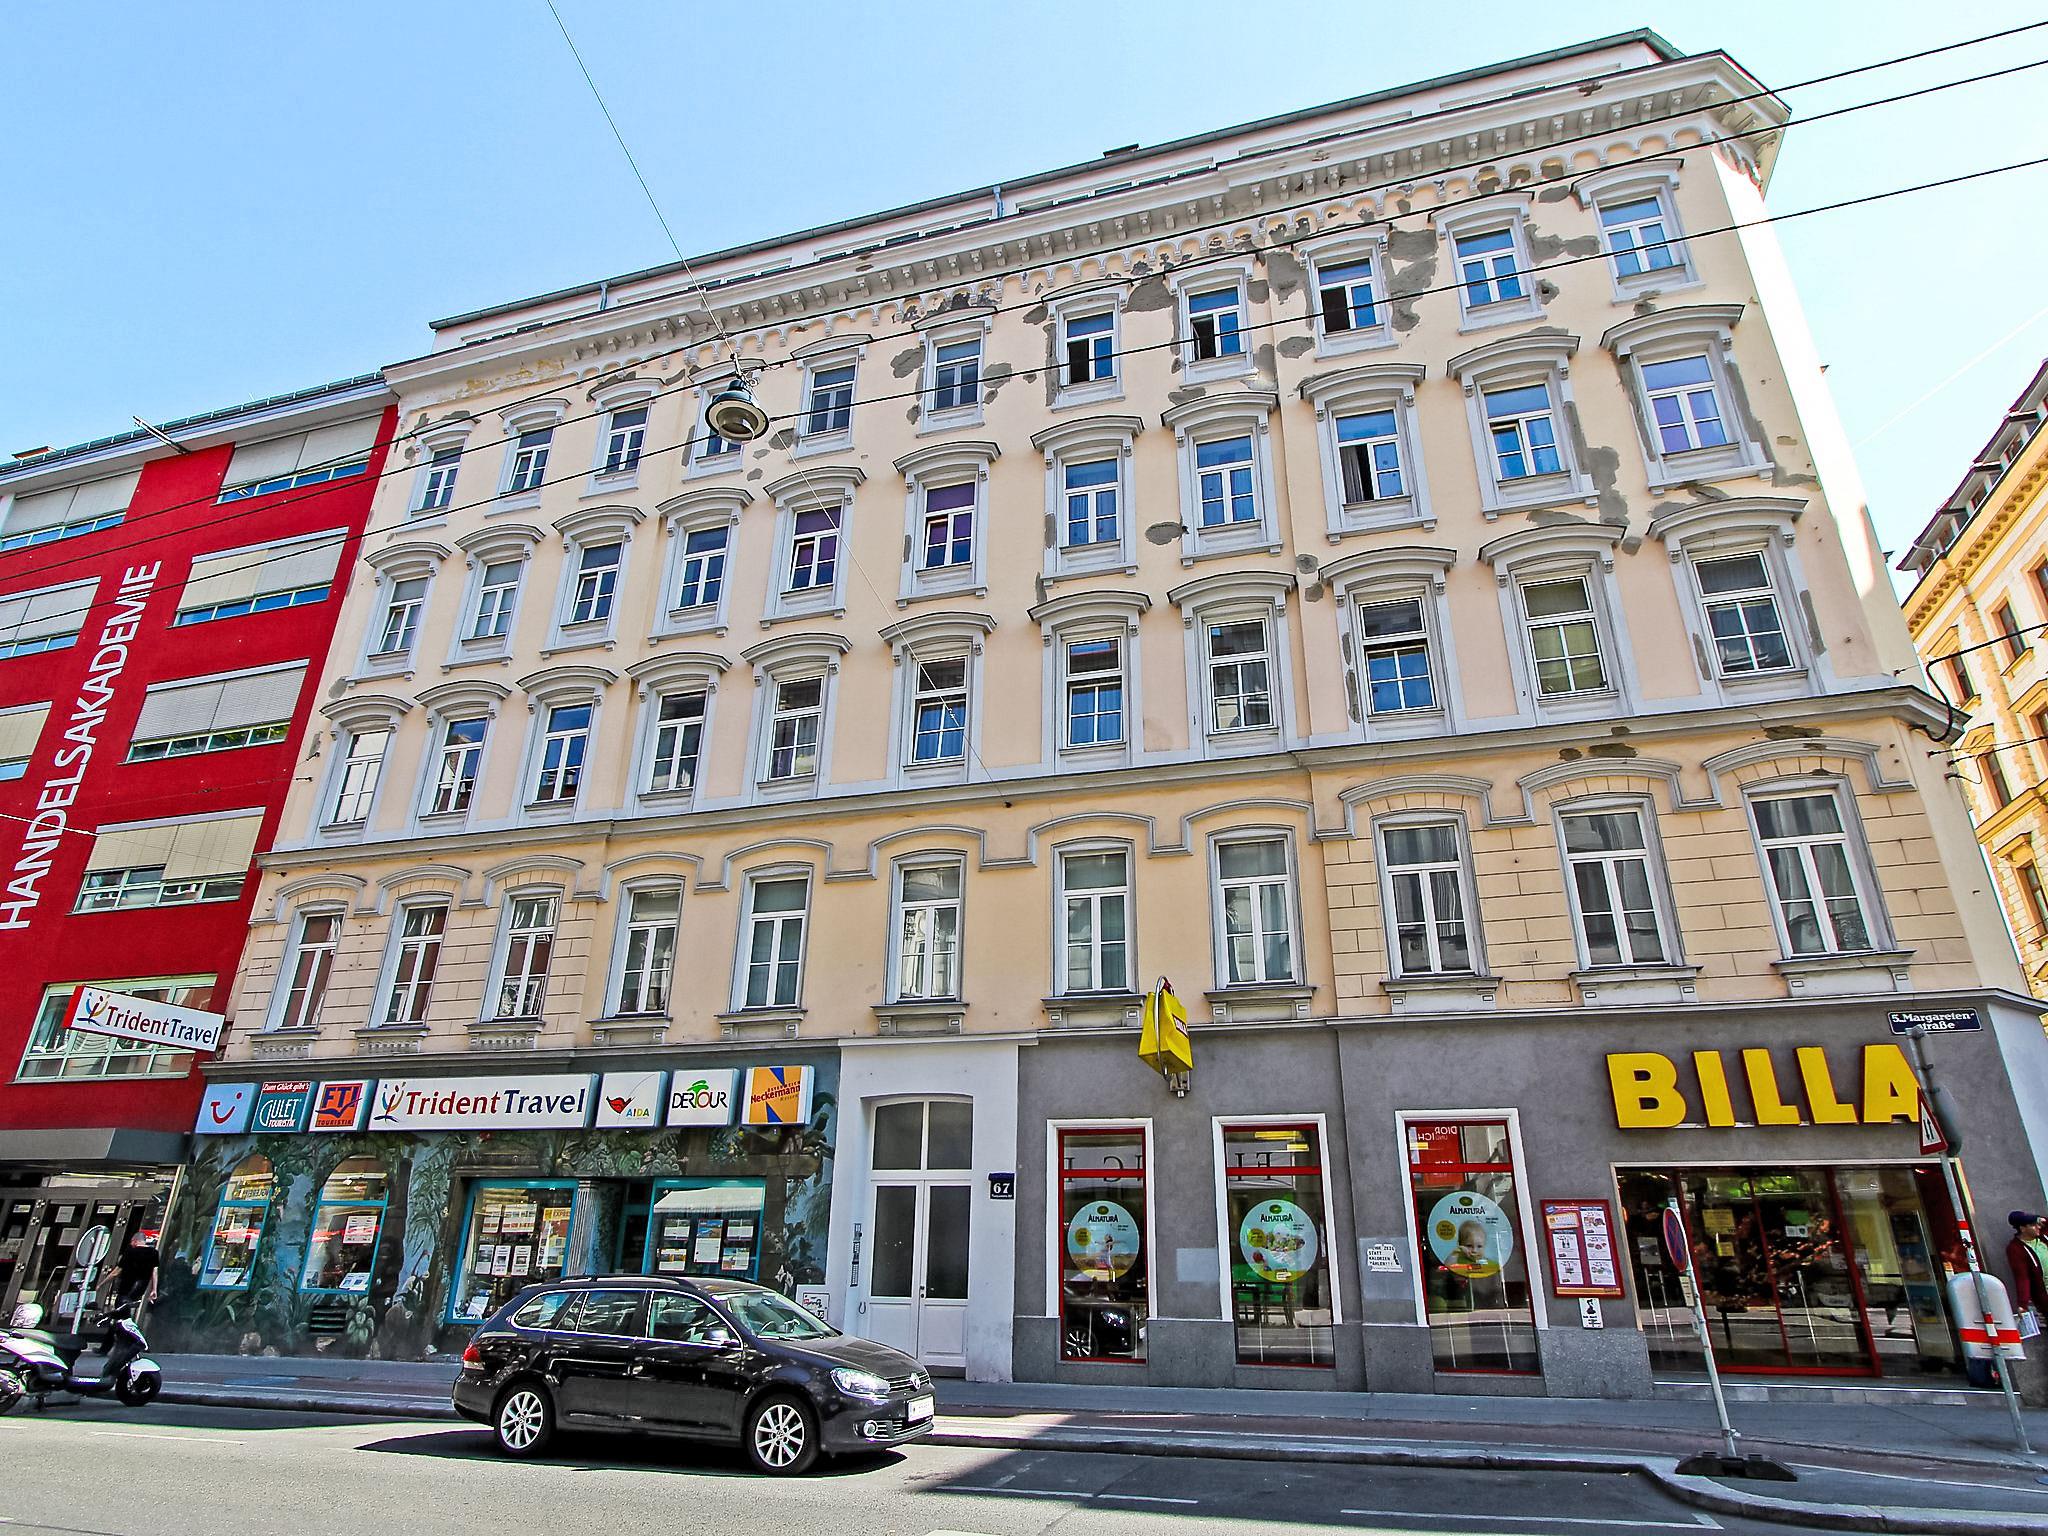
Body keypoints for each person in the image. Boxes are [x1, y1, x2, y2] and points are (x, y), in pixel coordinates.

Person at [2006, 1211, 2048, 1321]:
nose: (2038, 1227)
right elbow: (2022, 1277)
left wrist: (2040, 1219)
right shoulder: (2016, 1249)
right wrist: (2022, 1304)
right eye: (2033, 1225)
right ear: (2023, 1228)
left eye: (2037, 1224)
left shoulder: (2043, 1236)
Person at [112, 1230, 159, 1312]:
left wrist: (101, 1284)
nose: (131, 1244)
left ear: (135, 1241)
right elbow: (154, 1272)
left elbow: (116, 1271)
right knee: (130, 1307)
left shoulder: (130, 1251)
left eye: (131, 1242)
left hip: (126, 1286)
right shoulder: (154, 1253)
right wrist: (154, 1289)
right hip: (140, 1288)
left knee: (120, 1308)